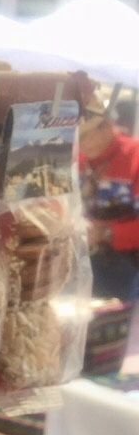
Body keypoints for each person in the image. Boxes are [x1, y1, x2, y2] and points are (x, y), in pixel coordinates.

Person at [79, 101, 139, 301]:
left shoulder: (135, 157)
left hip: (129, 268)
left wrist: (105, 233)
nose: (79, 144)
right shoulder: (80, 159)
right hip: (85, 261)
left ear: (106, 126)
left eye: (83, 136)